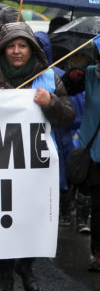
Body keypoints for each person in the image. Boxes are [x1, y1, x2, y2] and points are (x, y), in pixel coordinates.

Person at [0, 22, 75, 291]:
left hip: (35, 164)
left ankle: (26, 267)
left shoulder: (50, 79)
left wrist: (51, 103)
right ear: (2, 49)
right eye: (11, 46)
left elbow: (68, 117)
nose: (16, 51)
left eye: (22, 45)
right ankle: (5, 272)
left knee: (31, 217)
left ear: (31, 49)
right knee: (3, 216)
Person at [80, 47, 100, 272]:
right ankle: (98, 254)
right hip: (95, 152)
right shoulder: (90, 74)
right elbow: (69, 85)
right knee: (99, 207)